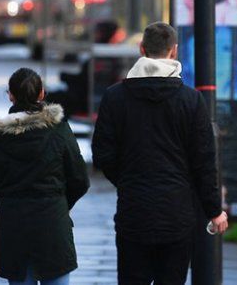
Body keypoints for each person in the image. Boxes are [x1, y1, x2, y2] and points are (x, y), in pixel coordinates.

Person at [91, 22, 228, 285]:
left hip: (133, 211)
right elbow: (203, 161)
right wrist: (213, 210)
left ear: (142, 49)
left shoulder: (115, 97)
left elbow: (103, 154)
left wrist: (128, 179)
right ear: (173, 51)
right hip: (176, 213)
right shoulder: (190, 100)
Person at [0, 68, 90, 285]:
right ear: (42, 94)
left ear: (11, 94)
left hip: (13, 225)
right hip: (53, 223)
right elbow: (80, 179)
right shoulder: (58, 130)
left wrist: (9, 197)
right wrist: (60, 202)